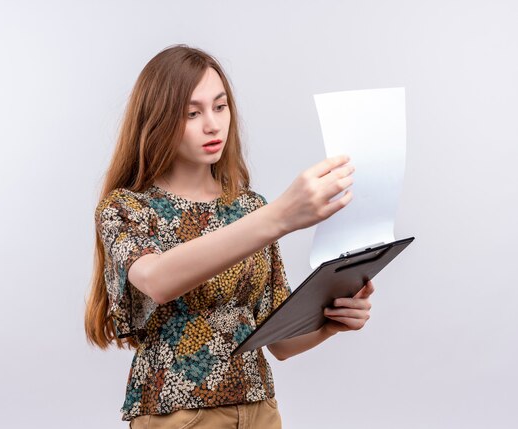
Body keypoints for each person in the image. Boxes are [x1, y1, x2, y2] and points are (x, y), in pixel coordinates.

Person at [85, 44, 374, 428]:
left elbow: (281, 341)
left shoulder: (250, 208)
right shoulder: (127, 209)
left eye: (220, 107)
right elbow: (158, 280)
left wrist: (330, 323)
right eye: (192, 113)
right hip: (179, 415)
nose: (212, 124)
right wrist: (280, 217)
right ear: (157, 120)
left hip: (259, 410)